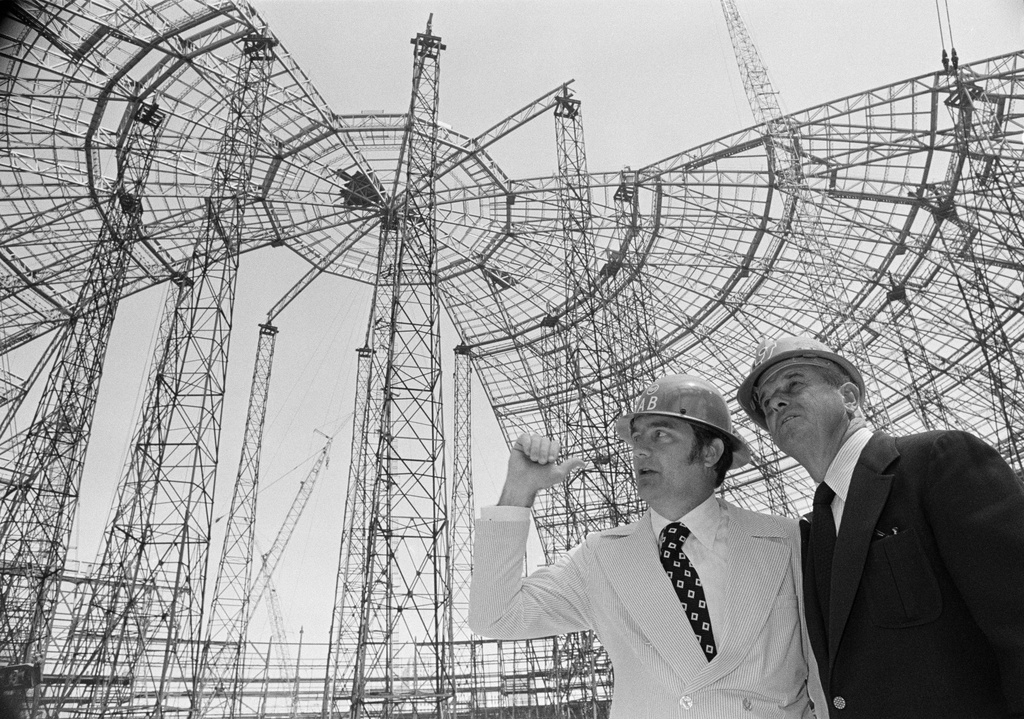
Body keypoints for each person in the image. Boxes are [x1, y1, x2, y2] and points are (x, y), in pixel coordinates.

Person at [469, 374, 821, 718]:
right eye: (637, 437)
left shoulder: (789, 541)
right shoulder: (601, 557)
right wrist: (518, 491)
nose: (640, 449)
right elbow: (496, 617)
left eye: (661, 435)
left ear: (711, 453)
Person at [737, 334, 1024, 719]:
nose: (777, 403)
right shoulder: (812, 530)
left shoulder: (937, 461)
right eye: (767, 404)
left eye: (794, 384)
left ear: (850, 398)